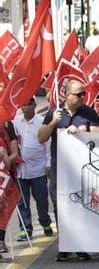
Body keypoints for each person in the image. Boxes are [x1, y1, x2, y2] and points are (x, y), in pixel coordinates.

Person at [38, 79, 99, 262]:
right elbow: (41, 137)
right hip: (60, 168)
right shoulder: (54, 113)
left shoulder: (88, 112)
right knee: (60, 206)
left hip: (81, 167)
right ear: (66, 94)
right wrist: (52, 123)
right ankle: (64, 245)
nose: (82, 97)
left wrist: (82, 132)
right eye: (78, 94)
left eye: (83, 94)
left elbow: (98, 134)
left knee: (81, 205)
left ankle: (80, 245)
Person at [14, 97, 51, 243]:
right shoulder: (15, 122)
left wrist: (48, 163)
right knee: (22, 201)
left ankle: (45, 222)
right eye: (24, 104)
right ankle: (25, 228)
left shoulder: (42, 121)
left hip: (38, 168)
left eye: (29, 104)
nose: (27, 107)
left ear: (34, 105)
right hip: (20, 169)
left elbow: (48, 142)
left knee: (41, 199)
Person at [0, 108, 19, 253]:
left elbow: (14, 154)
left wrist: (4, 158)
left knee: (3, 208)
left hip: (4, 176)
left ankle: (0, 240)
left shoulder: (7, 125)